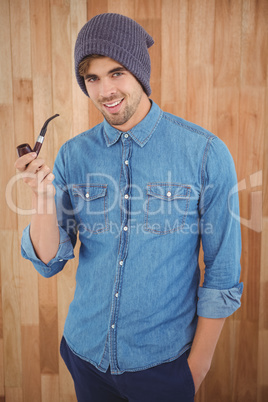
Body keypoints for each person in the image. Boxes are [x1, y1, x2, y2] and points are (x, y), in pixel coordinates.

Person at [15, 13, 243, 402]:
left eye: (116, 72)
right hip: (85, 356)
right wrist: (41, 196)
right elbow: (49, 261)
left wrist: (196, 369)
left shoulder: (204, 153)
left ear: (139, 71)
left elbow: (222, 273)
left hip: (164, 368)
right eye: (92, 78)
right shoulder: (73, 155)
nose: (105, 90)